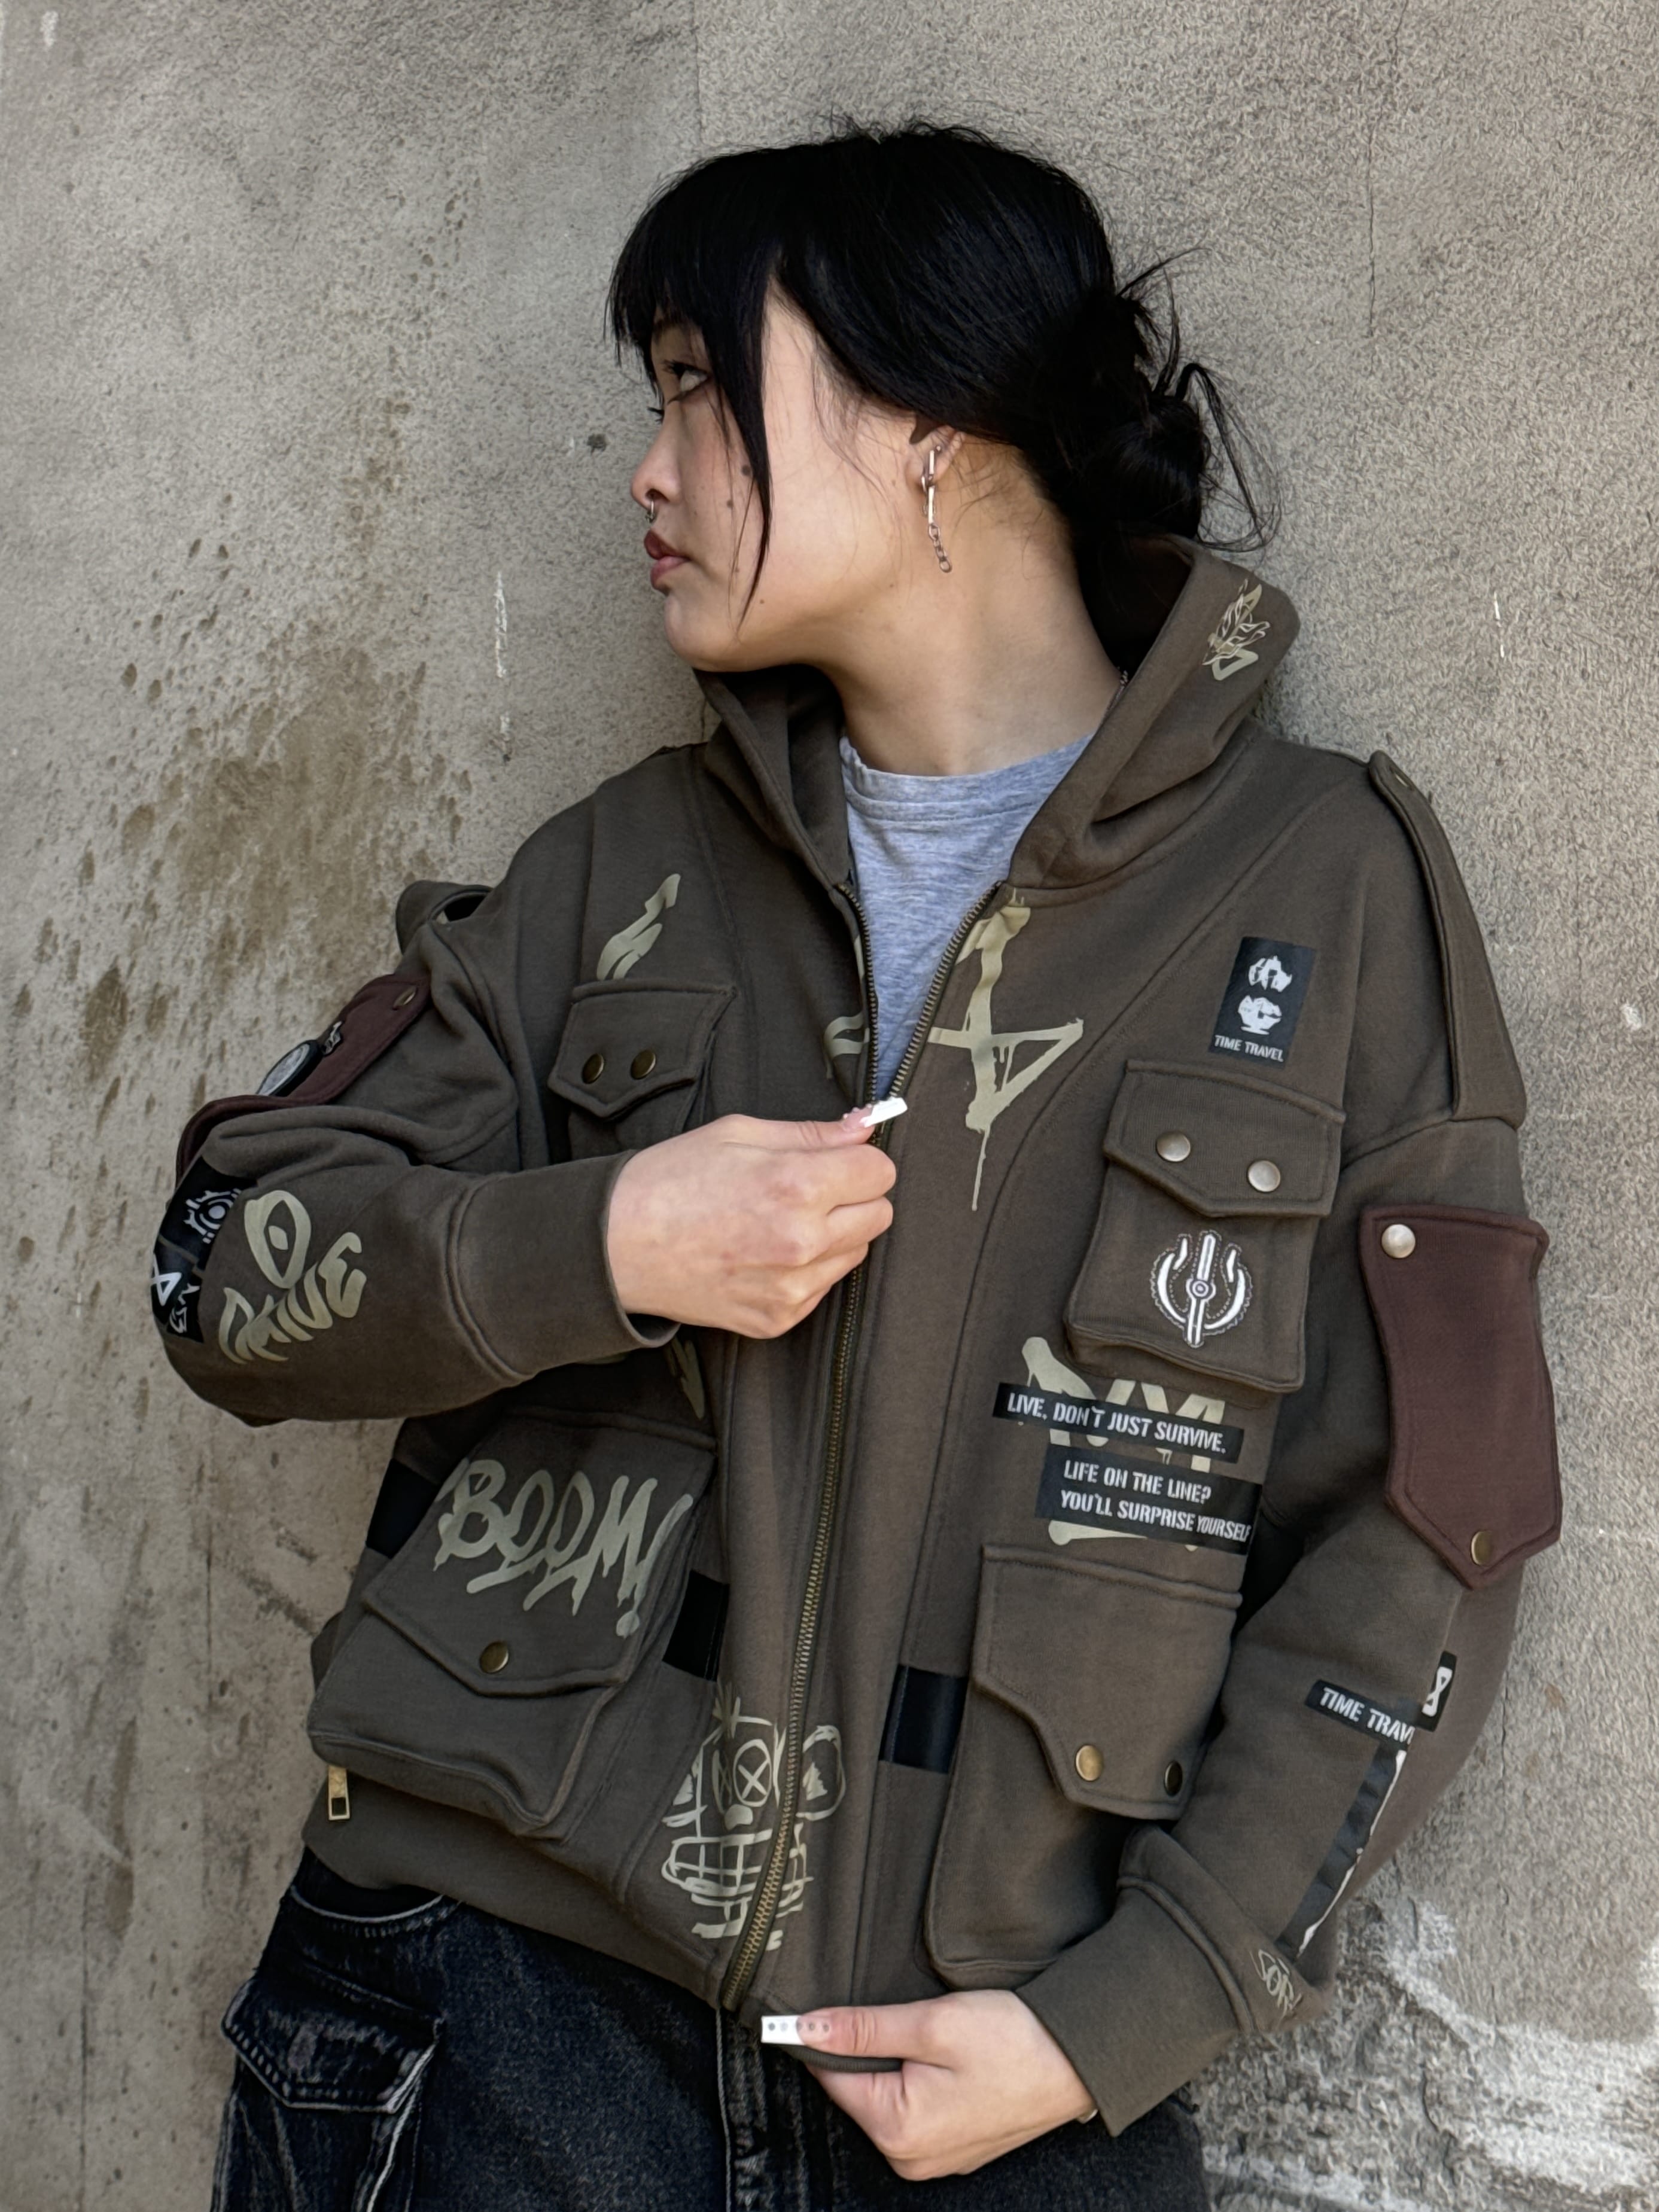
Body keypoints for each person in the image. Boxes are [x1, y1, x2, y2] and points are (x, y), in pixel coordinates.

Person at [151, 123, 1559, 2211]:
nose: (650, 471)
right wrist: (605, 1238)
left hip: (1008, 2081)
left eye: (699, 391)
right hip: (497, 2017)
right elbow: (218, 1273)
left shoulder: (1332, 893)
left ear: (930, 421)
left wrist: (1132, 2009)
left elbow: (1434, 1522)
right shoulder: (618, 870)